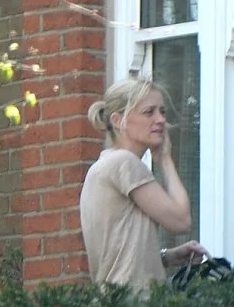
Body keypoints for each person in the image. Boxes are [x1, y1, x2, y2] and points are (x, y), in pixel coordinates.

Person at [80, 78, 209, 293]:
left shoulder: (104, 165)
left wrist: (166, 257)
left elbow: (117, 254)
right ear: (118, 120)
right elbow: (181, 220)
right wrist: (165, 159)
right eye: (149, 112)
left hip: (114, 302)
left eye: (162, 111)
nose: (161, 120)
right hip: (133, 306)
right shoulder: (124, 163)